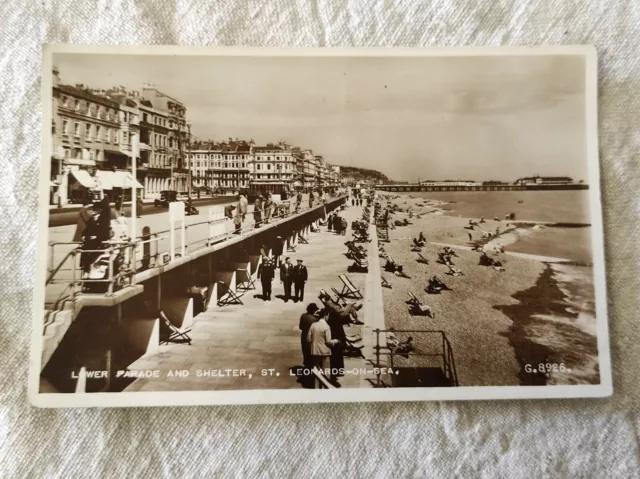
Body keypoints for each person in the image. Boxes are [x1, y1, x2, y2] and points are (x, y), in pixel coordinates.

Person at [307, 312, 339, 388]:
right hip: (325, 352)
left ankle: (317, 388)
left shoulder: (313, 325)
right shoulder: (326, 327)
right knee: (326, 372)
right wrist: (335, 341)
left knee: (317, 372)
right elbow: (328, 341)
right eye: (328, 316)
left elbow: (308, 339)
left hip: (315, 352)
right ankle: (326, 388)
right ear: (325, 316)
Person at [299, 303, 320, 387]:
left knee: (305, 354)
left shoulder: (303, 316)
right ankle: (310, 374)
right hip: (311, 339)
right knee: (311, 355)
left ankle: (306, 369)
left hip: (303, 337)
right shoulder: (314, 319)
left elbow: (300, 327)